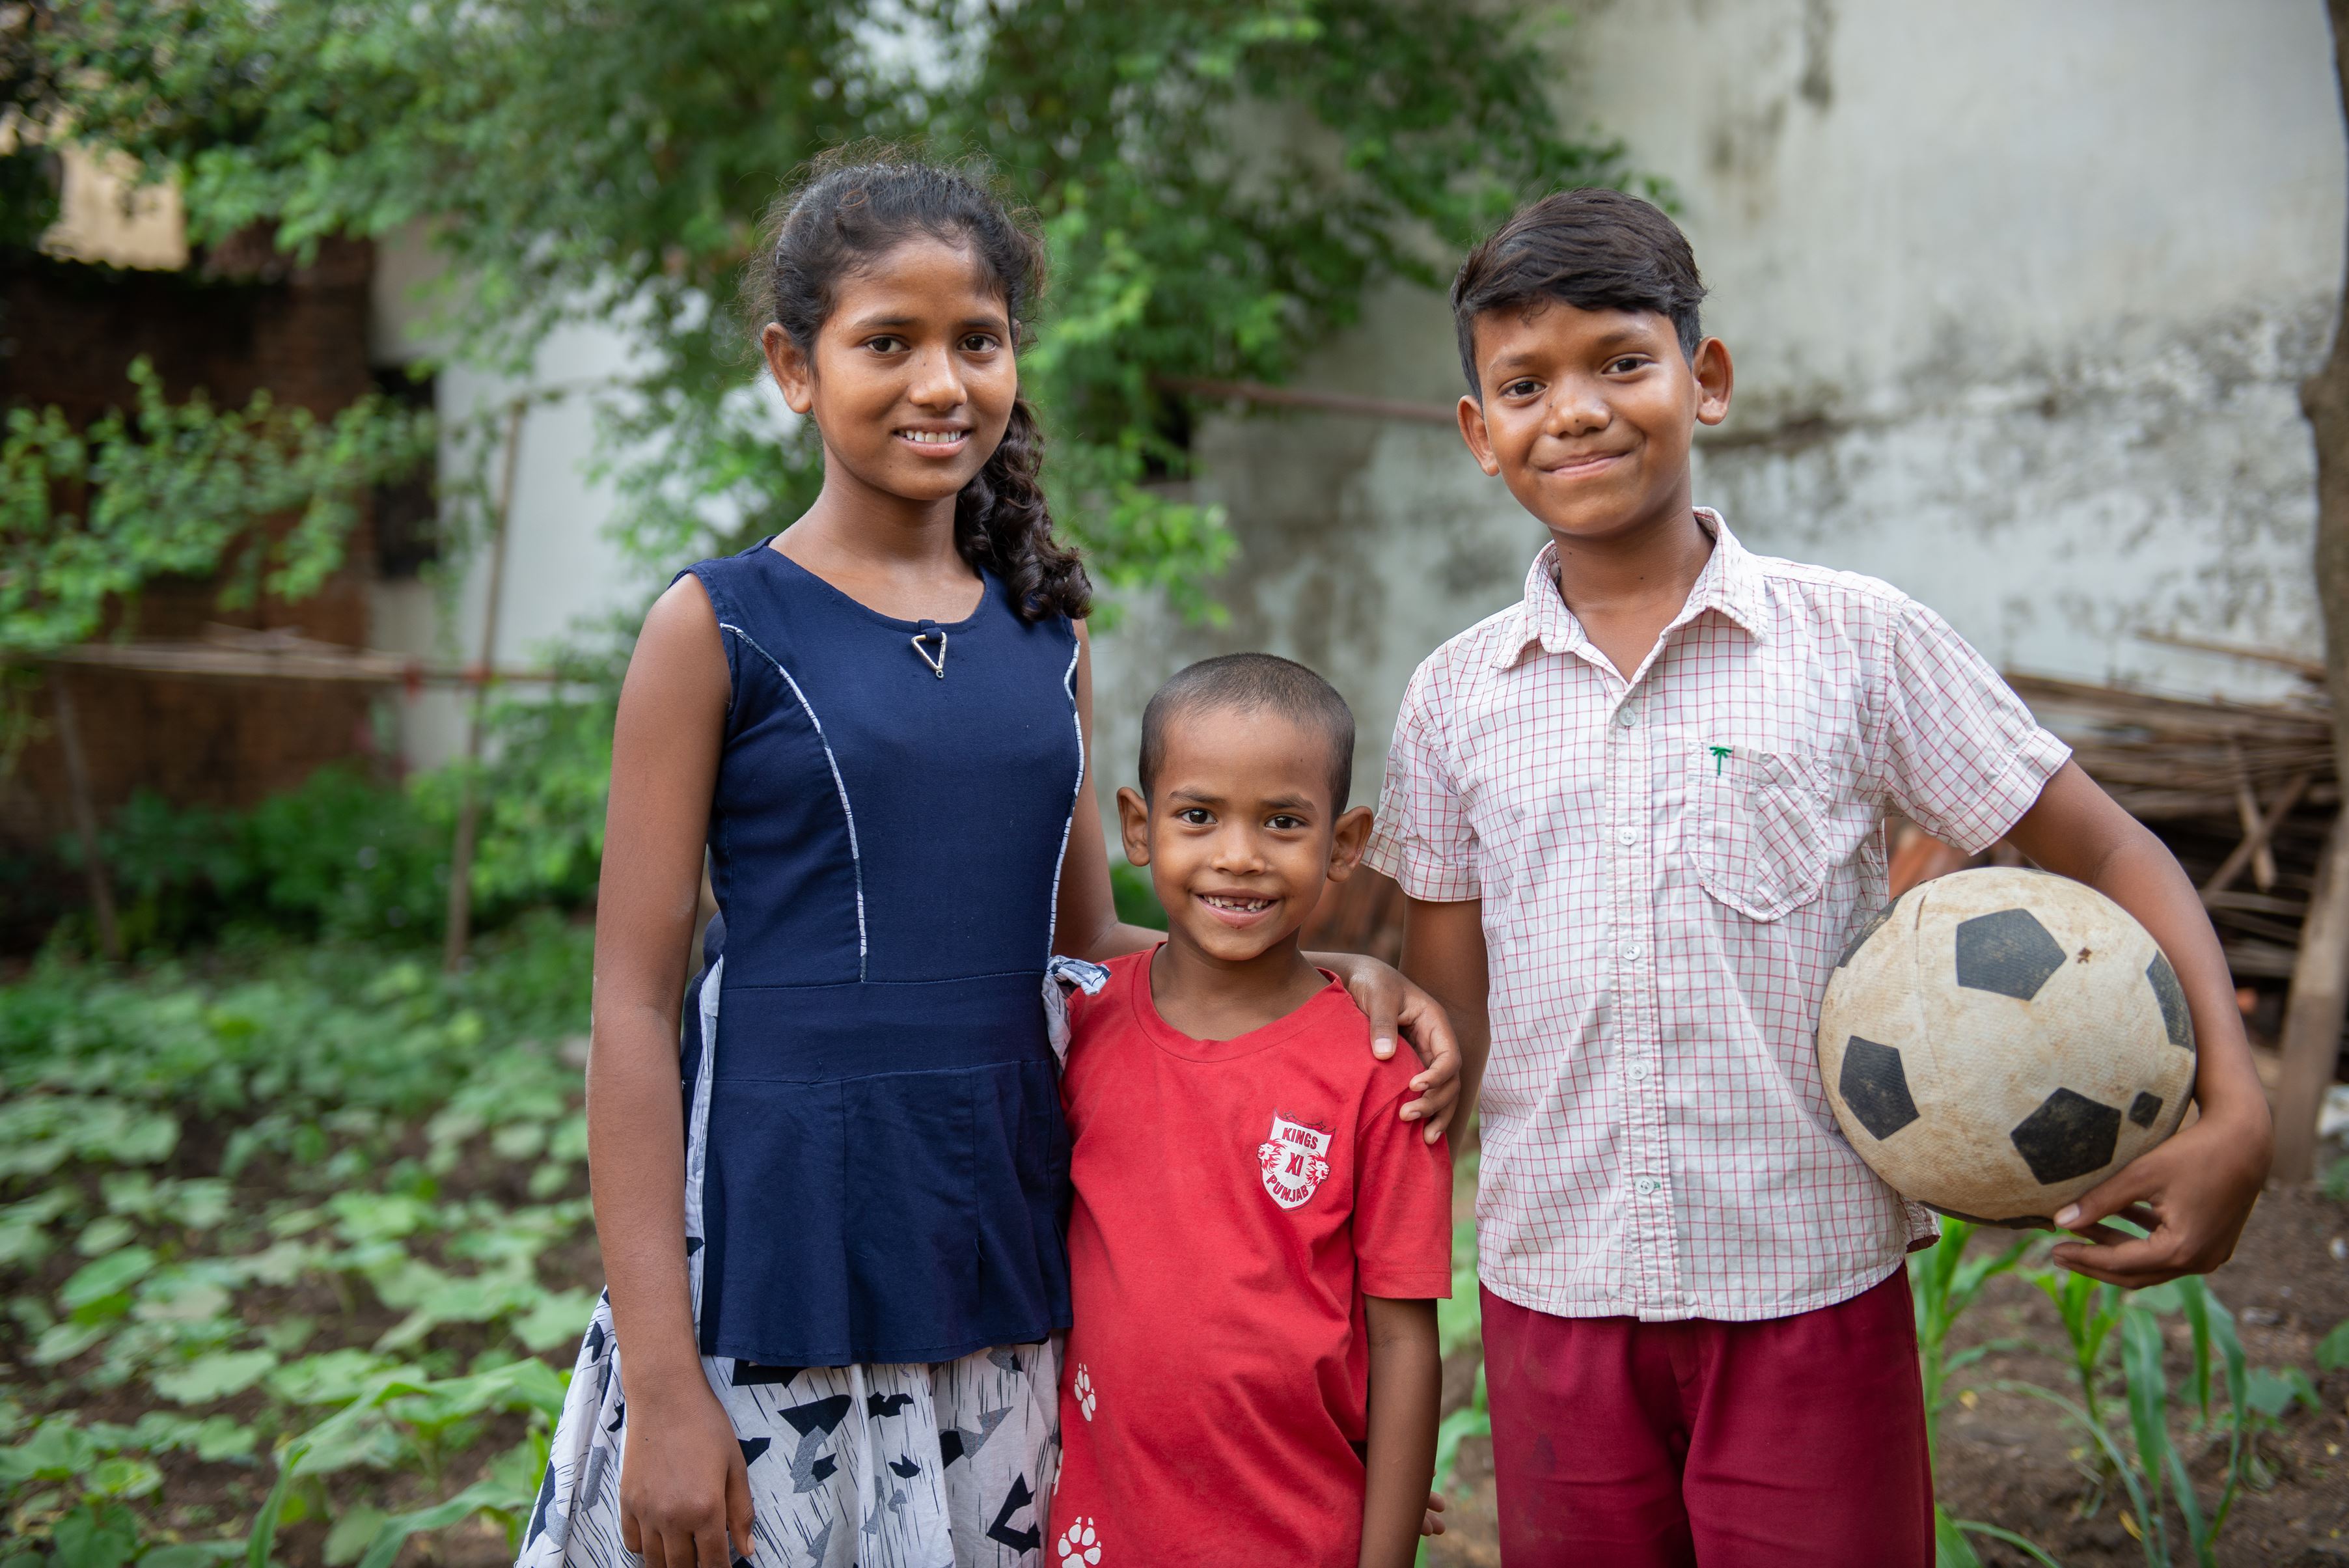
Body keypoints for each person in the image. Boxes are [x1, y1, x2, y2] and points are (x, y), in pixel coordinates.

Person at [514, 158, 1460, 1568]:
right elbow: (632, 1010)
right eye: (885, 341)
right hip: (781, 1239)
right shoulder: (713, 627)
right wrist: (661, 1380)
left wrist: (1329, 972)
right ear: (792, 366)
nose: (939, 381)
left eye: (978, 338)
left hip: (998, 1234)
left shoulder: (1047, 637)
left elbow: (1078, 942)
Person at [1367, 188, 2273, 1567]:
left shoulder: (1855, 642)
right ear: (1477, 435)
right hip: (1551, 1295)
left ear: (1704, 379)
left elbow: (2105, 844)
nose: (1576, 410)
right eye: (1522, 383)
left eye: (1621, 360)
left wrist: (2237, 1099)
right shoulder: (1451, 700)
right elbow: (1444, 1036)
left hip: (1805, 1287)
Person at [1046, 654, 1452, 1568]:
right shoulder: (1076, 1025)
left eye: (1281, 822)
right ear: (1138, 829)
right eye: (1198, 816)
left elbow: (1401, 1342)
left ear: (1344, 844)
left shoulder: (1378, 1070)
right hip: (1098, 1530)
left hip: (1296, 1534)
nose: (1237, 854)